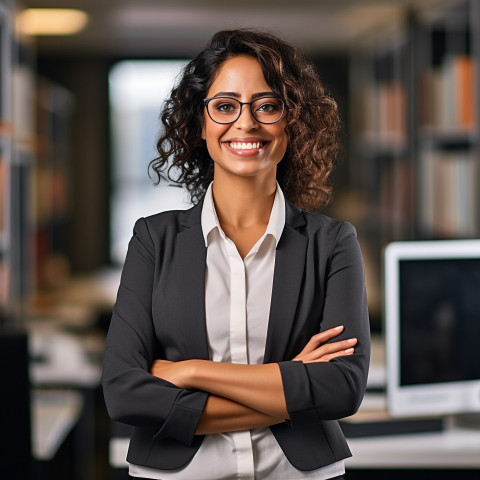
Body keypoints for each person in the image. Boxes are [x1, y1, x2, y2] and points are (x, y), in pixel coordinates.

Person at [102, 28, 370, 480]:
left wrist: (189, 372)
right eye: (225, 106)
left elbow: (341, 389)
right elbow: (126, 393)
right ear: (199, 123)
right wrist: (289, 388)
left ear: (293, 123)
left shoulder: (333, 242)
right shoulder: (153, 239)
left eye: (267, 106)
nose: (245, 123)